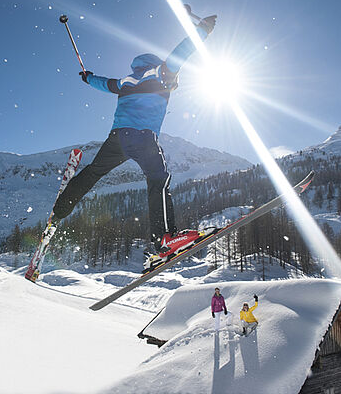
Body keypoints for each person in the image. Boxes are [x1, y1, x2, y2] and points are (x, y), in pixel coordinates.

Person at [51, 14, 218, 273]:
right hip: (144, 138)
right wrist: (202, 31)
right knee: (158, 180)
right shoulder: (161, 73)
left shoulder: (126, 81)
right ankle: (164, 239)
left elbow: (102, 83)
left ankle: (62, 207)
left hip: (118, 138)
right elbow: (180, 54)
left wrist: (87, 77)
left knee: (95, 172)